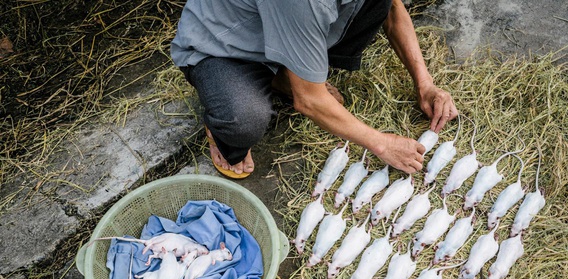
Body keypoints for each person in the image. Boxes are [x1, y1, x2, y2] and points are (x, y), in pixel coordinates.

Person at [171, 0, 458, 179]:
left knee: (377, 4)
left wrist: (425, 85)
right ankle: (225, 127)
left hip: (283, 26)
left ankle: (290, 72)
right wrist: (382, 144)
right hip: (225, 47)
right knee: (243, 121)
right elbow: (308, 101)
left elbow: (393, 9)